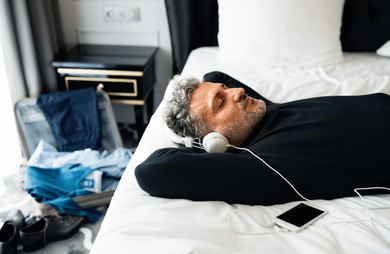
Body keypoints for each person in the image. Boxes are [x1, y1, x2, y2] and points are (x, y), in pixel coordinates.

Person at [135, 71, 390, 205]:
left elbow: (216, 75)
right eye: (220, 102)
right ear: (213, 137)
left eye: (225, 91)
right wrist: (206, 145)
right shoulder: (263, 163)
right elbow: (151, 171)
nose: (237, 91)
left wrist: (210, 93)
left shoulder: (266, 110)